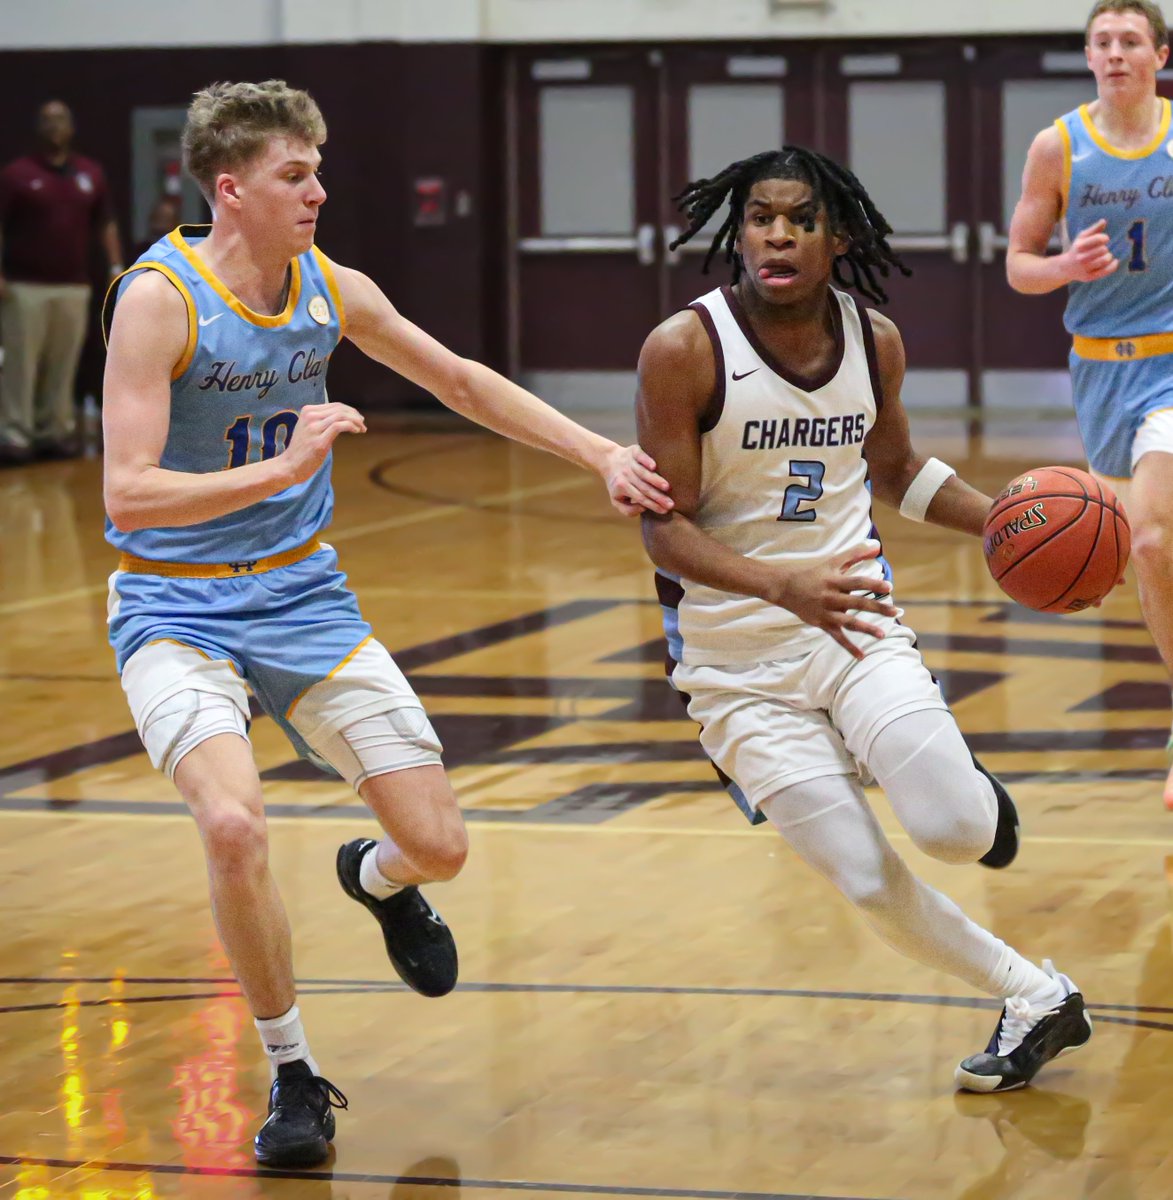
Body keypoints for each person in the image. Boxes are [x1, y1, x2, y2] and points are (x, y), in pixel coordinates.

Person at [101, 79, 673, 1169]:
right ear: (232, 188)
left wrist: (600, 453)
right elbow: (128, 493)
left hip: (303, 596)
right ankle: (292, 1070)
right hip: (174, 605)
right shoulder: (158, 299)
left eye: (318, 169)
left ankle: (375, 879)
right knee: (232, 826)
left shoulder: (330, 287)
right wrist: (288, 462)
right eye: (295, 174)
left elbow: (457, 379)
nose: (320, 189)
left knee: (442, 849)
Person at [635, 145, 1092, 1095]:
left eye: (799, 218)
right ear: (740, 232)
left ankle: (970, 793)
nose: (776, 234)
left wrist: (1014, 518)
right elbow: (661, 530)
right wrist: (774, 584)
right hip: (730, 665)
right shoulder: (683, 349)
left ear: (835, 237)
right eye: (760, 216)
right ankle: (1035, 997)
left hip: (852, 627)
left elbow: (895, 474)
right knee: (863, 874)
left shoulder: (871, 337)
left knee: (957, 832)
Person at [1007, 0, 1173, 810]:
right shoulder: (1058, 146)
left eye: (1129, 40)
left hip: (1171, 365)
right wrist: (1064, 265)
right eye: (1101, 41)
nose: (1114, 53)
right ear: (1087, 57)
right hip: (1099, 371)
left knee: (1147, 537)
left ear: (1158, 54)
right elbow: (1016, 264)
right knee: (1146, 542)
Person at [0, 100, 123, 463]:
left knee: (63, 362)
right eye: (48, 120)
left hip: (74, 285)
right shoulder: (16, 175)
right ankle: (15, 434)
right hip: (24, 287)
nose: (55, 127)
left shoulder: (90, 174)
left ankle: (54, 431)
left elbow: (106, 223)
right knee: (22, 362)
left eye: (61, 120)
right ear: (38, 127)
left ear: (71, 128)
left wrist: (116, 266)